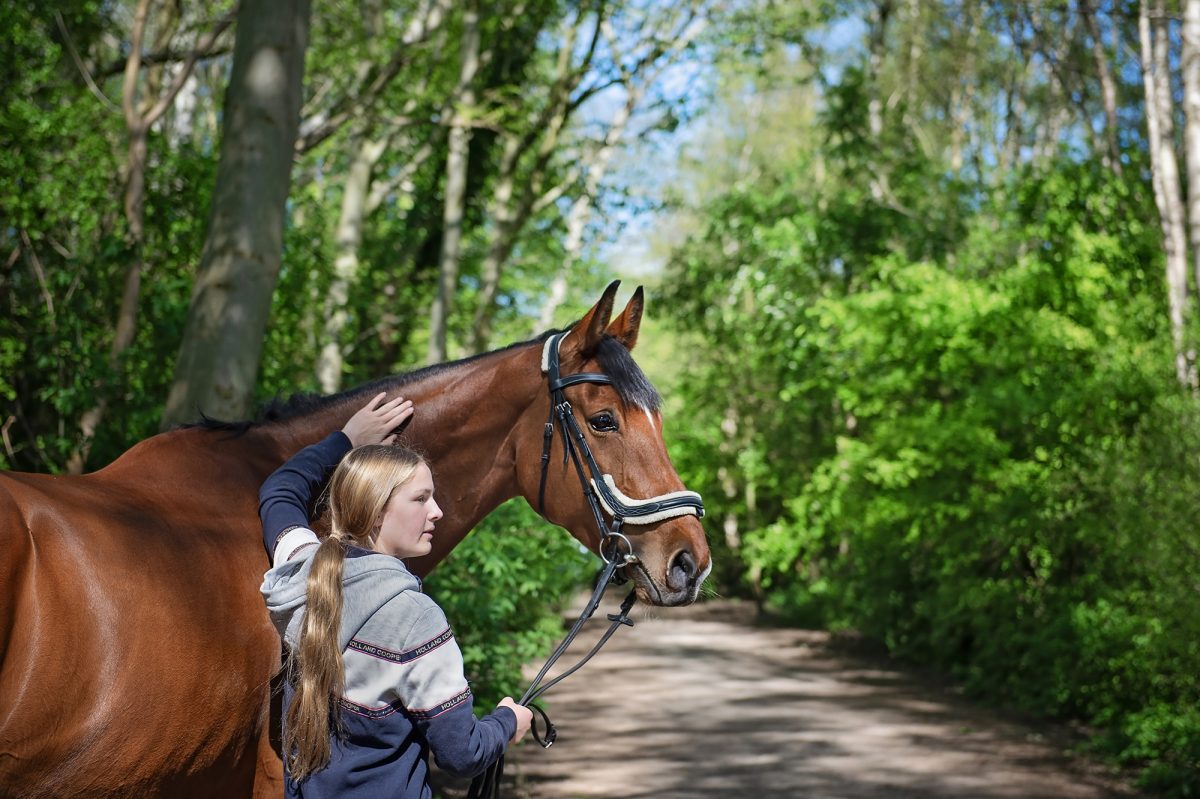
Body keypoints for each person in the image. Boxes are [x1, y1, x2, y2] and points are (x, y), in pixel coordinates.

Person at [259, 392, 532, 798]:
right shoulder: (415, 619)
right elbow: (462, 754)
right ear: (374, 511)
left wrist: (346, 439)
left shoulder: (304, 572)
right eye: (421, 498)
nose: (437, 511)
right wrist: (509, 721)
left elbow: (280, 491)